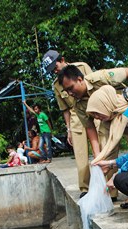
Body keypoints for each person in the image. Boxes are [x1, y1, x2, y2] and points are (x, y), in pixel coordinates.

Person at [57, 64, 128, 160]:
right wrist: (97, 154)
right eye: (67, 91)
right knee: (105, 157)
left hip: (127, 112)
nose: (70, 93)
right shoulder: (78, 104)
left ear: (80, 79)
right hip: (106, 122)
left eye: (71, 88)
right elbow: (89, 127)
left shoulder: (100, 78)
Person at [42, 49, 93, 198]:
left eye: (55, 67)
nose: (55, 71)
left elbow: (94, 89)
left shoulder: (82, 67)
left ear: (62, 59)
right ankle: (85, 188)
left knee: (103, 147)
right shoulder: (57, 84)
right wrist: (69, 129)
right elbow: (64, 109)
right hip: (75, 115)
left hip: (92, 109)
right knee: (80, 153)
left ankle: (110, 187)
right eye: (51, 70)